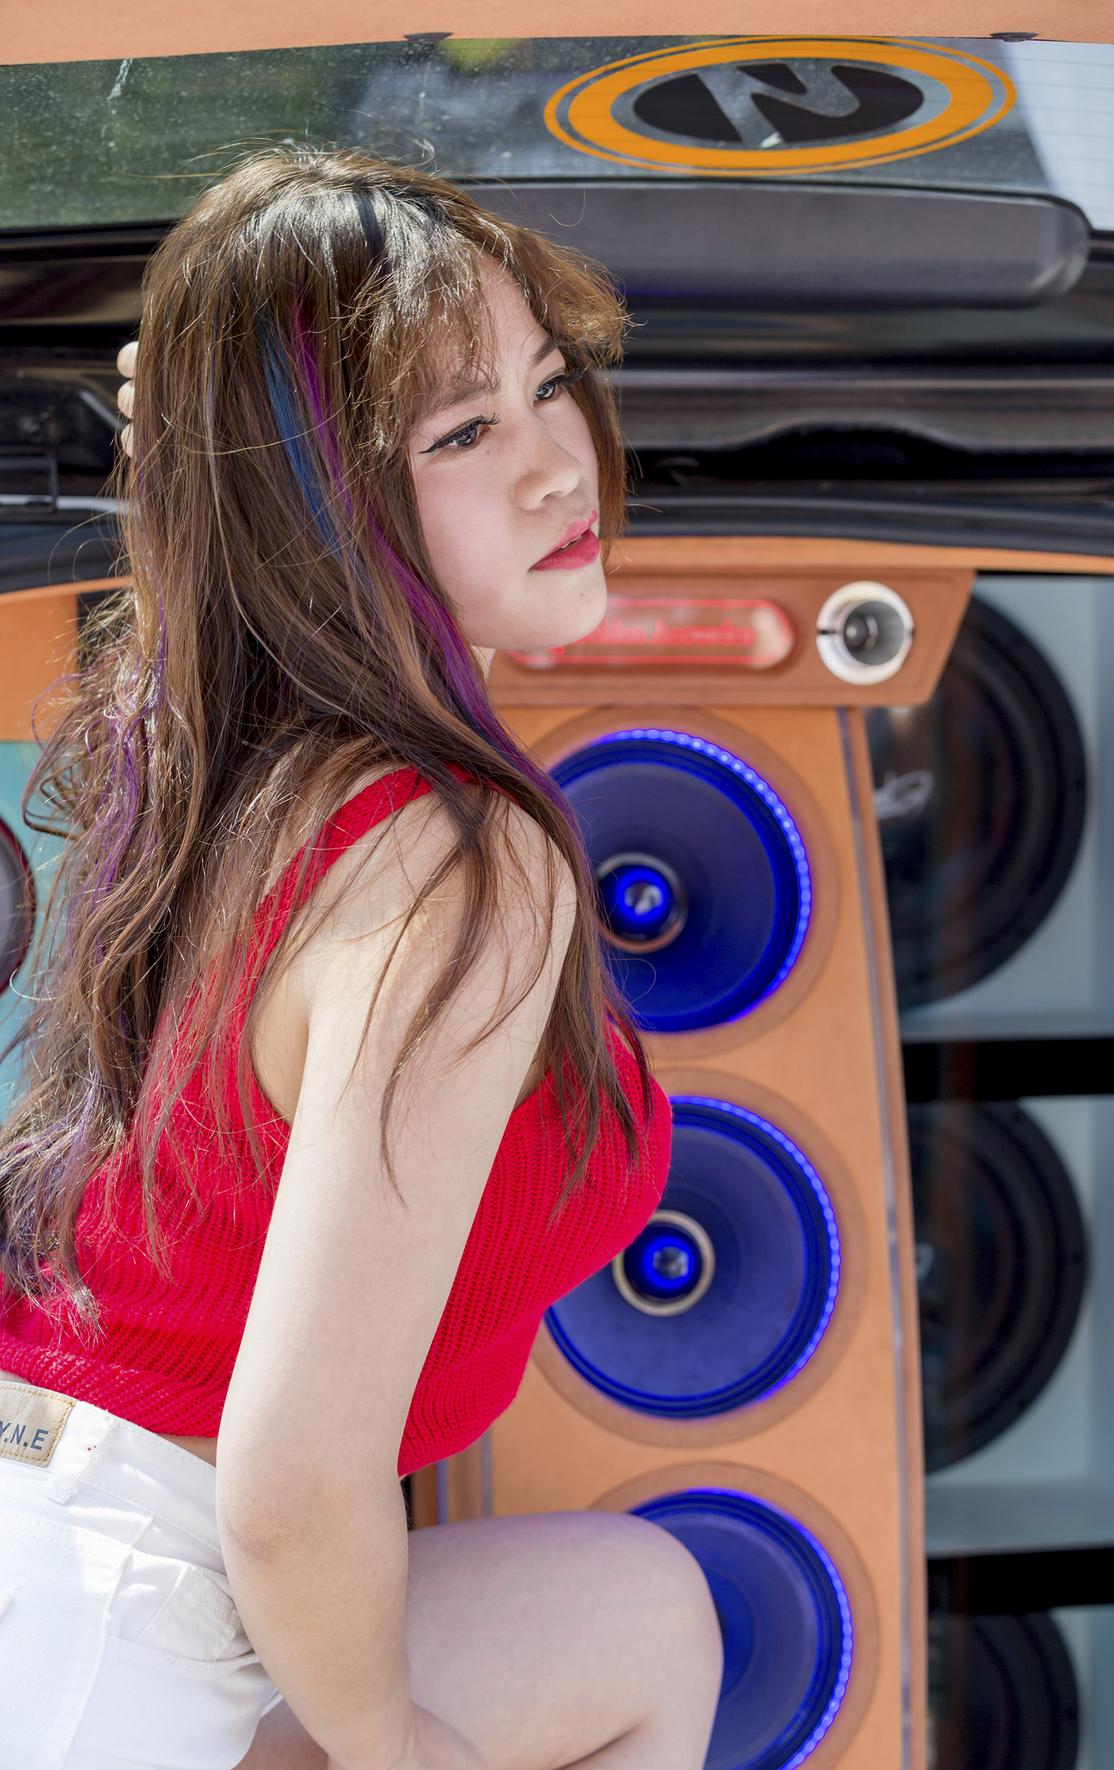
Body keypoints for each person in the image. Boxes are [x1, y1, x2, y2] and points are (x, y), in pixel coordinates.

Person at [0, 146, 724, 1770]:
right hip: (113, 1628)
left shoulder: (240, 770)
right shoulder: (460, 861)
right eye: (464, 431)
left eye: (550, 386)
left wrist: (201, 430)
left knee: (642, 1612)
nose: (558, 465)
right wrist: (394, 1749)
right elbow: (294, 1482)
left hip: (69, 1534)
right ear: (314, 503)